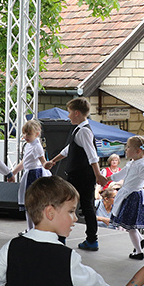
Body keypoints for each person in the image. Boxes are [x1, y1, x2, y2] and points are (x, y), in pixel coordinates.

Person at [44, 97, 110, 251]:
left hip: (81, 176)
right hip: (80, 175)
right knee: (83, 205)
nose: (68, 116)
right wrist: (53, 161)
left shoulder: (84, 131)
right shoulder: (80, 129)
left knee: (71, 204)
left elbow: (92, 155)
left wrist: (98, 174)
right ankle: (89, 239)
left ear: (77, 113)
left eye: (69, 112)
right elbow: (68, 149)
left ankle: (66, 237)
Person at [108, 135, 144, 259]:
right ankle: (141, 241)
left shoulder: (141, 165)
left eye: (128, 147)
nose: (126, 149)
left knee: (131, 226)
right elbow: (120, 175)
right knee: (130, 224)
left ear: (137, 151)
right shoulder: (132, 163)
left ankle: (138, 252)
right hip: (128, 195)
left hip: (133, 197)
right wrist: (108, 178)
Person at [13, 119, 50, 232]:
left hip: (34, 174)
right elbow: (24, 162)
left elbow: (43, 162)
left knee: (33, 204)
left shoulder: (36, 146)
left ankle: (34, 229)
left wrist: (47, 164)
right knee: (29, 204)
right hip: (29, 173)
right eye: (24, 133)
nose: (25, 136)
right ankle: (31, 229)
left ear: (36, 134)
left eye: (29, 134)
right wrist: (13, 173)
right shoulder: (29, 145)